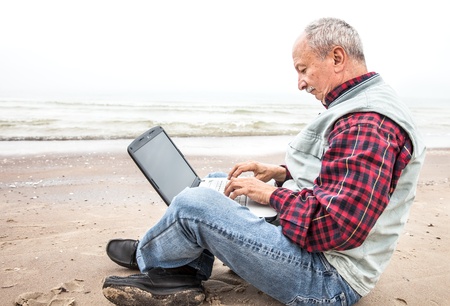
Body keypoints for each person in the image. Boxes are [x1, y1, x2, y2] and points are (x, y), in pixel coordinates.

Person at [102, 17, 426, 306]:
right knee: (222, 182)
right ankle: (180, 266)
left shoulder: (367, 122)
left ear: (337, 58)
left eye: (303, 69)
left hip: (328, 280)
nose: (300, 82)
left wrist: (269, 194)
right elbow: (339, 175)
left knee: (195, 203)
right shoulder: (362, 101)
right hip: (322, 256)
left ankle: (154, 255)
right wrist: (280, 174)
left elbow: (335, 226)